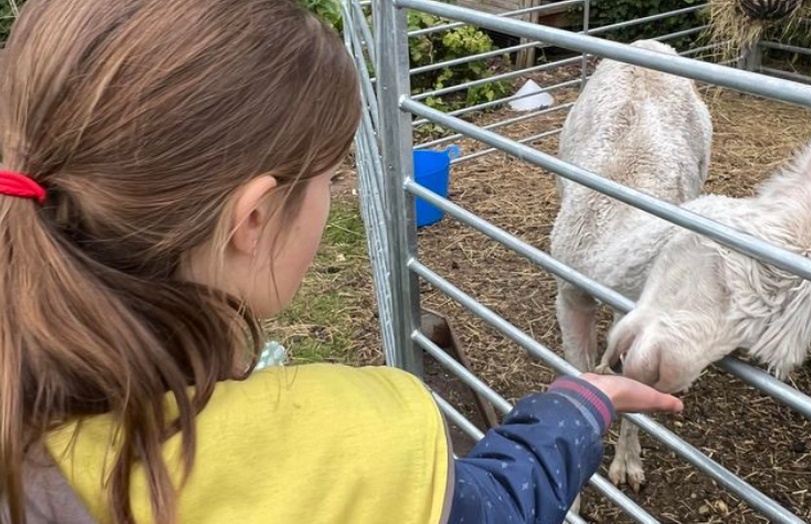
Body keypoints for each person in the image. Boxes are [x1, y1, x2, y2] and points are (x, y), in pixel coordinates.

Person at [0, 0, 683, 523]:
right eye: (333, 177)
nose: (339, 196)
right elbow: (497, 502)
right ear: (256, 218)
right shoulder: (355, 443)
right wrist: (576, 406)